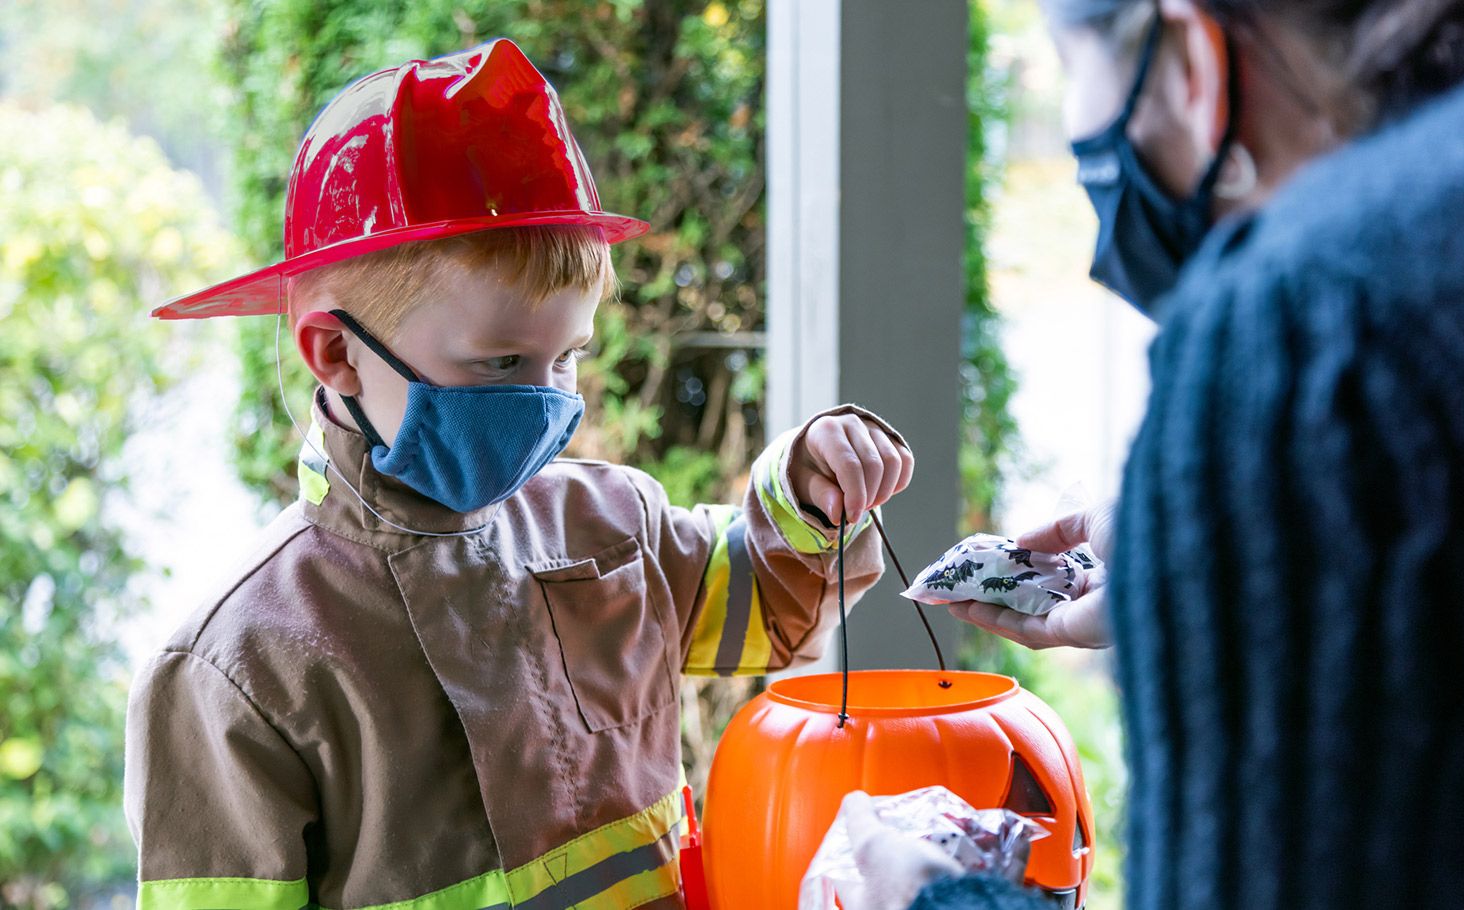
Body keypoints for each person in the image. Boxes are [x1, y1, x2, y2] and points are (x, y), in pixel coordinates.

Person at [123, 40, 914, 910]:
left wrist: (808, 489)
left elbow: (771, 601)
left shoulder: (612, 524)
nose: (544, 405)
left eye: (566, 358)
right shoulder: (235, 668)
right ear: (337, 352)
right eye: (500, 364)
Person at [904, 0, 1464, 907]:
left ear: (1190, 61)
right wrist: (1232, 573)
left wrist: (926, 899)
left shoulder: (1309, 332)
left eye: (1081, 98)